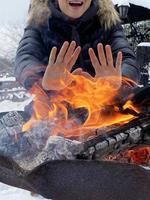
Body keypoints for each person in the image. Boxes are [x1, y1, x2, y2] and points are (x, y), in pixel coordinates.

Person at [15, 0, 140, 91]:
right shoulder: (39, 21)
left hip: (100, 106)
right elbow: (25, 57)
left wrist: (120, 79)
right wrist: (42, 81)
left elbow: (127, 58)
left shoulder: (108, 21)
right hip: (55, 113)